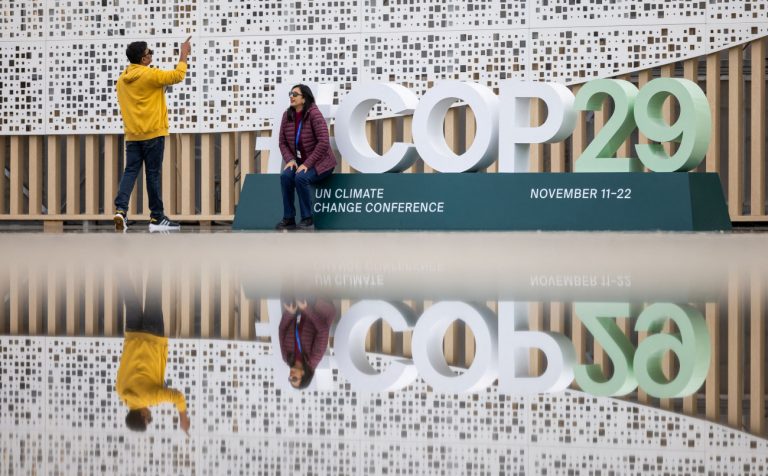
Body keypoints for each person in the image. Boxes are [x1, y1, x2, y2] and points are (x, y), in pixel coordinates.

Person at [113, 37, 191, 232]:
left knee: (130, 172)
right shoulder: (150, 75)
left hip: (133, 136)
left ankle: (121, 210)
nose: (152, 55)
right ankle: (157, 217)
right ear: (143, 59)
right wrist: (184, 54)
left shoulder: (121, 80)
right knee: (152, 175)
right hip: (153, 135)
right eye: (150, 52)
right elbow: (178, 76)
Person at [115, 271, 190, 434]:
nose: (150, 416)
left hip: (153, 337)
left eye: (148, 419)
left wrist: (183, 417)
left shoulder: (150, 398)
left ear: (142, 416)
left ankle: (156, 258)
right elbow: (129, 368)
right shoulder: (120, 391)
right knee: (129, 296)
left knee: (153, 293)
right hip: (133, 335)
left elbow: (177, 397)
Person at [276, 84, 337, 230]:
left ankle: (307, 218)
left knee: (301, 178)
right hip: (299, 162)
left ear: (304, 98)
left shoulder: (314, 114)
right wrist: (290, 159)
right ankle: (289, 218)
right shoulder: (287, 115)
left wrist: (307, 164)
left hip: (321, 163)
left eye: (295, 94)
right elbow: (282, 142)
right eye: (290, 94)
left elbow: (323, 142)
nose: (291, 97)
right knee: (285, 176)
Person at [278, 298, 337, 389]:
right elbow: (323, 330)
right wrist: (307, 309)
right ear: (304, 375)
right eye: (294, 379)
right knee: (304, 294)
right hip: (318, 310)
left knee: (286, 296)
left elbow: (282, 329)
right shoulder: (313, 359)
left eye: (290, 379)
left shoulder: (286, 357)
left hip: (298, 310)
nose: (291, 376)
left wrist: (290, 313)